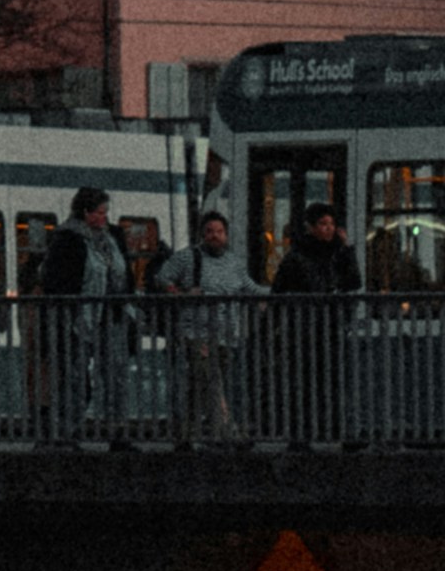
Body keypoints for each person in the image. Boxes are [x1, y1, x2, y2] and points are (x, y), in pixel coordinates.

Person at [27, 187, 131, 438]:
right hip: (77, 319)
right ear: (85, 212)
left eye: (106, 212)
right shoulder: (67, 239)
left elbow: (125, 274)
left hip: (109, 316)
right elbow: (57, 280)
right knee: (74, 377)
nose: (104, 217)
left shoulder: (113, 236)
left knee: (116, 377)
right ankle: (67, 432)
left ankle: (118, 432)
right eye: (99, 212)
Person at [152, 204, 250, 445]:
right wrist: (183, 292)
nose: (214, 236)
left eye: (219, 231)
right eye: (209, 231)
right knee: (212, 379)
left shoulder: (234, 262)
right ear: (202, 234)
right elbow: (161, 279)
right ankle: (226, 431)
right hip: (195, 333)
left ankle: (185, 435)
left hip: (227, 333)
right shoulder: (188, 257)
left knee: (200, 385)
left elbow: (248, 286)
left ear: (226, 235)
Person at [270, 197, 360, 443]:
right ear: (310, 227)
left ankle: (330, 431)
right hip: (302, 332)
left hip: (330, 329)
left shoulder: (337, 254)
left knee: (329, 383)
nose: (328, 229)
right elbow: (278, 292)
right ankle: (302, 435)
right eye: (322, 224)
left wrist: (346, 249)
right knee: (304, 385)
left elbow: (354, 281)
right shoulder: (296, 257)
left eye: (331, 224)